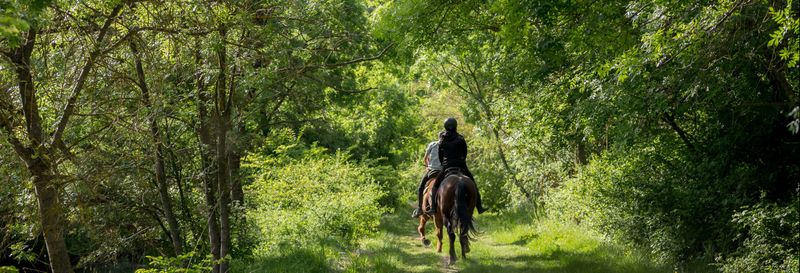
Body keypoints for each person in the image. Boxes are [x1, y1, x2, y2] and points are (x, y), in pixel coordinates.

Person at [427, 117, 487, 214]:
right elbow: (465, 152)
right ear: (456, 126)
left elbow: (440, 155)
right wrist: (461, 161)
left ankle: (433, 208)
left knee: (435, 185)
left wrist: (444, 164)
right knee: (473, 183)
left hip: (447, 166)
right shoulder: (460, 138)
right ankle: (479, 207)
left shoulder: (442, 140)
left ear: (445, 127)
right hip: (461, 165)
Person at [411, 140, 443, 218]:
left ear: (439, 138)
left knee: (420, 188)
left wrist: (427, 167)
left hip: (432, 171)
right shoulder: (448, 145)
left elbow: (425, 158)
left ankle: (419, 209)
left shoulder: (432, 144)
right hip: (443, 171)